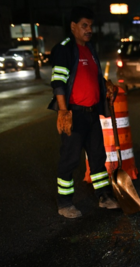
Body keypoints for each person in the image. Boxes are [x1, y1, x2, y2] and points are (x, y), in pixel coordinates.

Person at [47, 6, 119, 218]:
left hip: (91, 114)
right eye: (84, 25)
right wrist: (63, 112)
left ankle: (104, 197)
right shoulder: (65, 49)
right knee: (70, 159)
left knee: (98, 156)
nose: (89, 29)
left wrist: (106, 85)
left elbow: (93, 75)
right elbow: (58, 82)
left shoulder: (90, 48)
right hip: (74, 115)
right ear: (73, 27)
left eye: (90, 25)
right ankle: (65, 203)